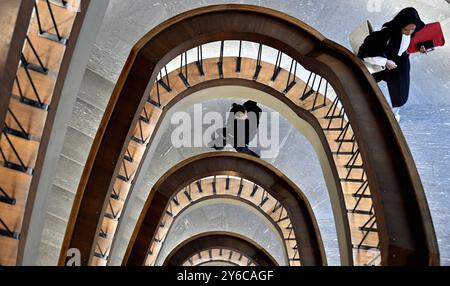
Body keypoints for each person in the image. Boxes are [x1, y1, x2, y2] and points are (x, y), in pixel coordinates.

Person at [358, 7, 427, 122]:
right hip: (385, 61)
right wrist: (385, 62)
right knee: (368, 83)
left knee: (400, 90)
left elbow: (410, 42)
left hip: (400, 62)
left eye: (412, 30)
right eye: (406, 30)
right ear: (400, 25)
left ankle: (394, 111)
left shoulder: (412, 30)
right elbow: (367, 52)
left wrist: (420, 47)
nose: (409, 33)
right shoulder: (386, 33)